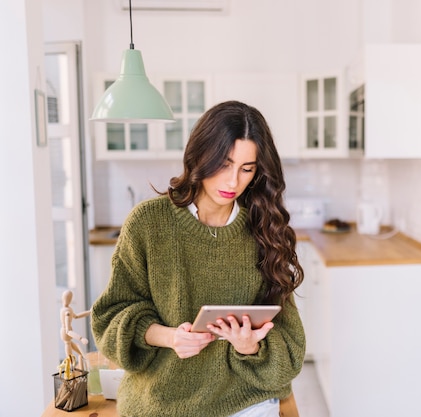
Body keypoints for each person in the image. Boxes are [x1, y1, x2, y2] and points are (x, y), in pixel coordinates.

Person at [91, 101, 306, 417]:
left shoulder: (264, 230)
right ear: (200, 156)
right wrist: (170, 338)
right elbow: (109, 319)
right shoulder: (148, 223)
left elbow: (290, 350)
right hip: (162, 402)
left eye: (247, 169)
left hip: (246, 402)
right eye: (224, 164)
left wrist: (251, 346)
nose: (233, 182)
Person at [59, 290, 90, 371]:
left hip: (65, 333)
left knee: (80, 354)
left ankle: (82, 371)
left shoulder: (66, 309)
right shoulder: (67, 312)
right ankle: (73, 372)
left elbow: (76, 316)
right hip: (66, 335)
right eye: (67, 297)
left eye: (69, 298)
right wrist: (81, 338)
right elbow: (68, 331)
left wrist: (89, 312)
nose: (67, 300)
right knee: (70, 359)